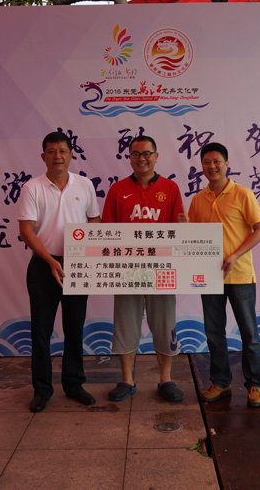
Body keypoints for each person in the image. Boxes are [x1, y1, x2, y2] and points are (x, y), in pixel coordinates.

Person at [18, 131, 100, 413]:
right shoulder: (32, 188)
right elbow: (26, 230)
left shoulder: (85, 185)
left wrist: (86, 249)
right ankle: (42, 389)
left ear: (71, 155)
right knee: (41, 330)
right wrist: (51, 261)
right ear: (43, 156)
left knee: (74, 328)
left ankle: (74, 384)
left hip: (77, 264)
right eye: (52, 151)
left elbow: (94, 220)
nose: (58, 156)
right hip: (44, 265)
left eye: (63, 151)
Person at [102, 135, 187, 403]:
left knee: (164, 323)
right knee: (126, 324)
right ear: (129, 158)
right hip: (127, 270)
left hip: (162, 269)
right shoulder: (117, 190)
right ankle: (127, 380)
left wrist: (186, 228)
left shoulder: (170, 188)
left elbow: (178, 231)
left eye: (147, 153)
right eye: (136, 154)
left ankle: (166, 379)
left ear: (156, 156)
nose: (142, 159)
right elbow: (107, 231)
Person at [188, 142, 260, 408]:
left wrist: (235, 255)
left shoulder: (243, 194)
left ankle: (254, 384)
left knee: (249, 333)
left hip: (240, 275)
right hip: (209, 276)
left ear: (226, 164)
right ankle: (220, 382)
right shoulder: (198, 199)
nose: (212, 166)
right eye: (207, 162)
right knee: (214, 332)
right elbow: (192, 235)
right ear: (202, 166)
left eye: (216, 161)